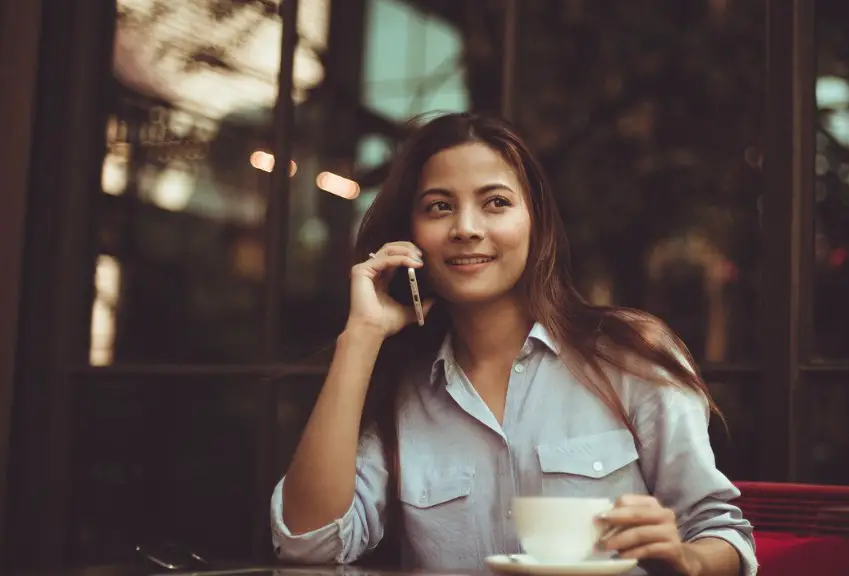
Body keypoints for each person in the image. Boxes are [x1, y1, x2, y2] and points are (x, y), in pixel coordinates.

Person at [270, 112, 757, 575]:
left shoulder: (629, 356)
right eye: (439, 206)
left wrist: (686, 559)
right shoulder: (402, 391)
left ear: (535, 223)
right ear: (411, 235)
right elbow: (307, 543)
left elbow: (723, 534)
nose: (465, 228)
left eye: (495, 202)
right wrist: (360, 336)